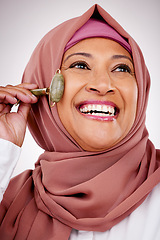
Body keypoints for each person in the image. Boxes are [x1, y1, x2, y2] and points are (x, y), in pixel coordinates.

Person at [0, 3, 160, 240]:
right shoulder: (9, 200)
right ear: (43, 87)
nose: (104, 85)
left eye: (122, 68)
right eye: (80, 65)